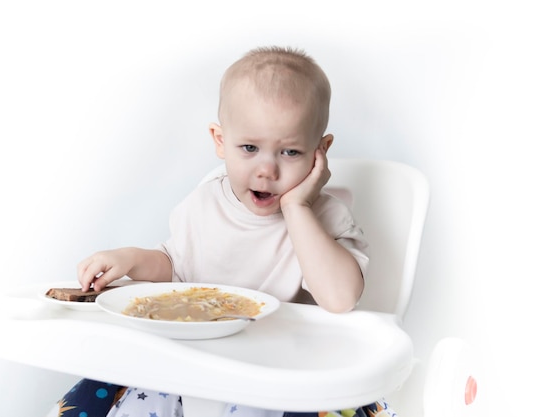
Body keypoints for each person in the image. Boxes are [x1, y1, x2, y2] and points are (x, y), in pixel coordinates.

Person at [48, 46, 399, 417]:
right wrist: (130, 259)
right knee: (117, 389)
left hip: (283, 375)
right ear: (219, 140)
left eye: (291, 152)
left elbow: (340, 298)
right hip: (194, 364)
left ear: (320, 152)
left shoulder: (326, 218)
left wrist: (297, 209)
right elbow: (174, 266)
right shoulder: (205, 204)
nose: (267, 170)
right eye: (249, 147)